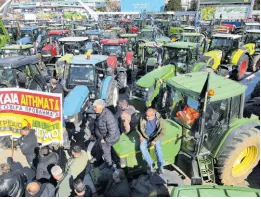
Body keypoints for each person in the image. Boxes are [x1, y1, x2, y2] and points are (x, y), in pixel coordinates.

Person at [91, 99, 120, 169]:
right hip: (102, 136)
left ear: (101, 108)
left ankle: (109, 165)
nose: (94, 109)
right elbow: (97, 124)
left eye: (95, 107)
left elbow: (113, 131)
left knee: (106, 151)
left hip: (110, 139)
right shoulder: (100, 113)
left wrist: (105, 140)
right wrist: (94, 134)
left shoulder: (108, 117)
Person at [136, 108, 166, 174]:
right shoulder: (142, 118)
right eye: (146, 115)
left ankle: (160, 166)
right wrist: (140, 135)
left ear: (153, 115)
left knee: (158, 148)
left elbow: (163, 133)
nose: (146, 117)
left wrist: (155, 140)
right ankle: (151, 163)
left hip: (156, 136)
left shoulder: (160, 120)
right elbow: (137, 127)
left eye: (148, 116)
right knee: (142, 147)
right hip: (145, 136)